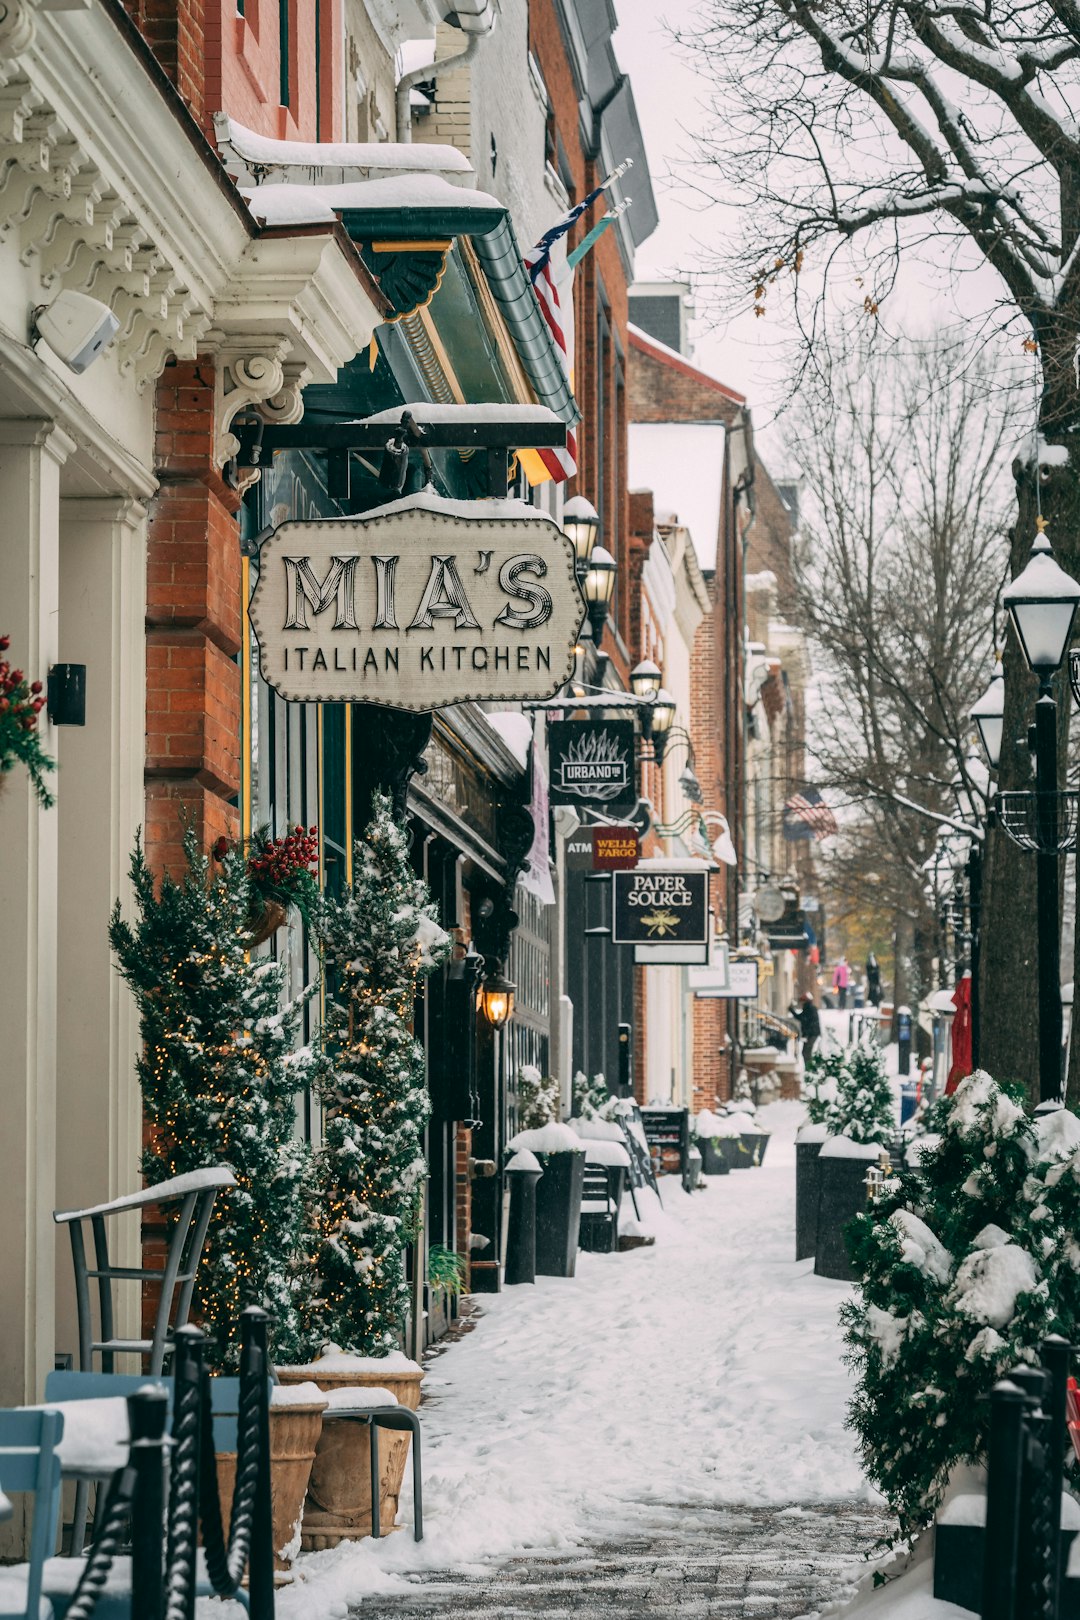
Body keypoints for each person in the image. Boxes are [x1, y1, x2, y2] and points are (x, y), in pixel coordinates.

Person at [794, 993, 821, 1066]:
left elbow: (804, 1019)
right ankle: (809, 1067)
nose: (801, 1003)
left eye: (802, 1001)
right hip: (811, 1034)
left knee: (806, 1052)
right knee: (806, 1052)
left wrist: (807, 1033)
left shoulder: (809, 1008)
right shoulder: (809, 1008)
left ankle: (809, 1068)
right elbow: (802, 1018)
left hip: (812, 1034)